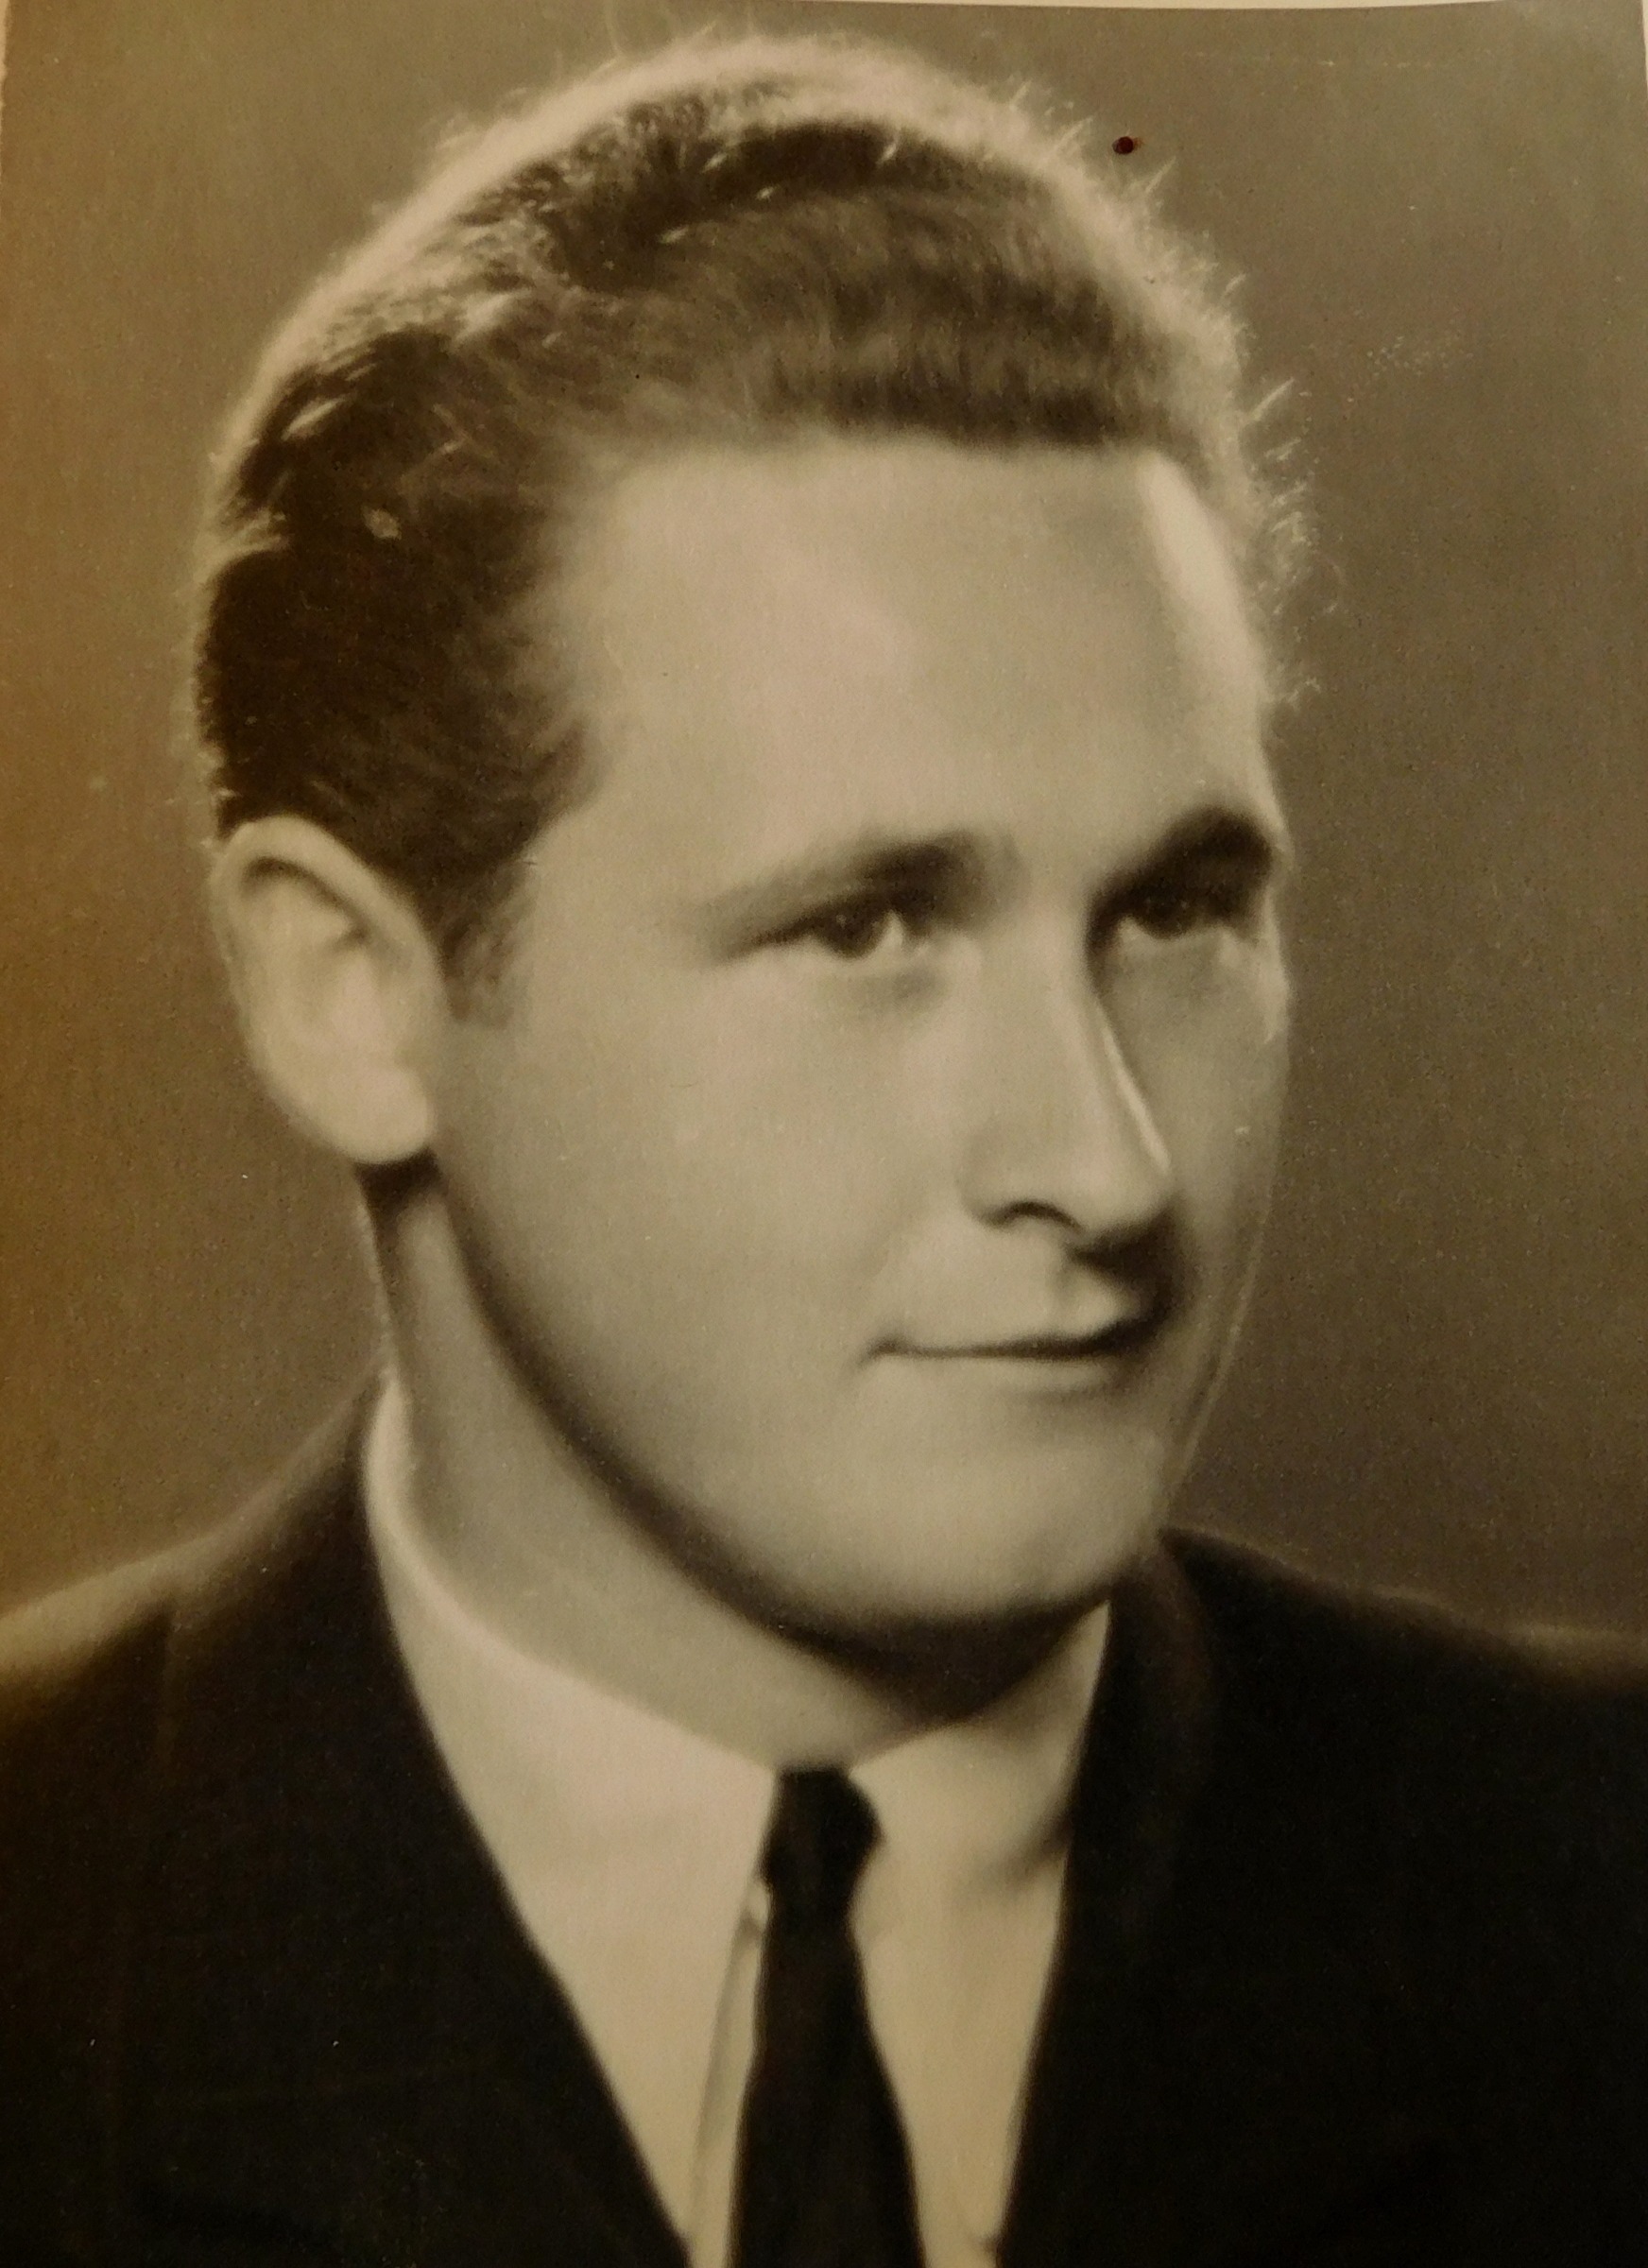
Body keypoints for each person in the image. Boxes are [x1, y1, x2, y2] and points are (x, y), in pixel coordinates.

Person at [2, 32, 1645, 2268]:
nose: (1107, 1168)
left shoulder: (1588, 1896)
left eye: (1173, 911)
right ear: (348, 995)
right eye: (866, 925)